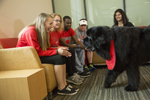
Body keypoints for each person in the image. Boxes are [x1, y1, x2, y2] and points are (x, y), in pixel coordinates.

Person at [16, 13, 78, 95]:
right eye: (50, 23)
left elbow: (44, 48)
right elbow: (37, 52)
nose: (52, 26)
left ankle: (64, 84)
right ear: (43, 22)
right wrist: (56, 51)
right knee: (58, 58)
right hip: (27, 58)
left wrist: (58, 49)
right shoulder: (31, 31)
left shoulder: (41, 31)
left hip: (34, 55)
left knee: (62, 56)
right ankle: (61, 88)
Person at [50, 13, 89, 86]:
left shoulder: (69, 30)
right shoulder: (59, 30)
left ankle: (80, 70)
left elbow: (76, 41)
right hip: (65, 47)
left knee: (79, 50)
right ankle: (73, 73)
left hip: (68, 46)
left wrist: (82, 45)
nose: (69, 24)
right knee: (72, 50)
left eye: (70, 23)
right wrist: (79, 46)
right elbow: (65, 44)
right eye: (67, 23)